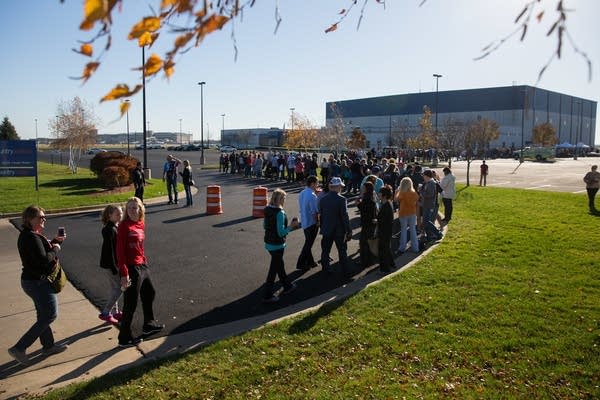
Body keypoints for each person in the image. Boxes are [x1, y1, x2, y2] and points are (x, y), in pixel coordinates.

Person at [9, 206, 68, 365]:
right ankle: (19, 348)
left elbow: (40, 254)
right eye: (40, 217)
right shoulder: (31, 237)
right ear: (29, 219)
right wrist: (55, 249)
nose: (44, 220)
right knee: (50, 315)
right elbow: (44, 260)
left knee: (43, 315)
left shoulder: (30, 235)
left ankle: (48, 346)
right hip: (37, 283)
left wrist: (55, 241)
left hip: (32, 281)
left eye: (44, 217)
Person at [116, 197, 164, 347]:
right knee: (130, 303)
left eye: (134, 207)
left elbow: (140, 247)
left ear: (140, 210)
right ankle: (124, 338)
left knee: (150, 293)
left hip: (142, 266)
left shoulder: (140, 224)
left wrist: (144, 261)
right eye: (129, 208)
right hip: (131, 269)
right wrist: (124, 274)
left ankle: (148, 325)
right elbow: (120, 252)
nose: (131, 210)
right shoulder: (124, 226)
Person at [263, 188, 299, 303]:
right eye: (284, 198)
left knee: (279, 266)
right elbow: (281, 232)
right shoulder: (280, 213)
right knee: (273, 270)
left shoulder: (267, 209)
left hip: (268, 242)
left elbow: (264, 226)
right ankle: (267, 295)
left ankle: (287, 286)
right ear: (281, 199)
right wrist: (292, 226)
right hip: (277, 244)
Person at [319, 177, 353, 274]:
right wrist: (349, 230)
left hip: (326, 229)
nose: (341, 188)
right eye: (340, 187)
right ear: (337, 187)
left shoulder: (323, 199)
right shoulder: (341, 199)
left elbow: (321, 216)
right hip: (339, 230)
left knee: (325, 251)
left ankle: (325, 269)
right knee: (342, 251)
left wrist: (322, 227)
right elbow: (344, 216)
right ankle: (346, 271)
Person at [98, 205, 123, 325]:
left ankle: (115, 312)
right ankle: (106, 313)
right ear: (110, 215)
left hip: (112, 263)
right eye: (117, 214)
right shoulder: (109, 230)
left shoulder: (114, 227)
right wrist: (114, 267)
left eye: (121, 213)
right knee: (119, 289)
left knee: (115, 288)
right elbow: (110, 251)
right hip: (111, 264)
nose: (120, 215)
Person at [296, 176, 320, 271]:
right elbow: (314, 212)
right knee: (308, 244)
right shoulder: (312, 195)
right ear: (313, 183)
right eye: (317, 183)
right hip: (311, 223)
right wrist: (318, 221)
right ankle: (300, 263)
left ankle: (311, 262)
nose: (318, 185)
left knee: (308, 243)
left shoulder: (303, 192)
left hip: (304, 221)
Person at [395, 177, 420, 254]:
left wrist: (397, 191)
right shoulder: (413, 192)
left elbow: (395, 200)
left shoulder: (402, 193)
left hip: (403, 213)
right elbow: (417, 199)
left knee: (403, 230)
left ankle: (402, 247)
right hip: (412, 213)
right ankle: (415, 248)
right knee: (413, 230)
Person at [357, 181, 378, 269]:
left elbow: (364, 210)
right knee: (369, 242)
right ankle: (370, 260)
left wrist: (358, 204)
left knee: (363, 242)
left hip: (367, 223)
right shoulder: (372, 196)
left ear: (366, 189)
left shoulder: (366, 198)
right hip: (371, 223)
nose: (362, 189)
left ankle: (364, 261)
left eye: (364, 187)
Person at [420, 170, 443, 242]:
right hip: (426, 204)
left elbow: (430, 195)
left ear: (426, 176)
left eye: (423, 175)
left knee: (426, 221)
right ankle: (429, 236)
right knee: (425, 222)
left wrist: (421, 192)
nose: (423, 177)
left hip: (429, 205)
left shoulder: (432, 183)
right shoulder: (428, 182)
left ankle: (438, 233)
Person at [377, 185, 395, 272]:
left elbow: (383, 220)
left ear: (383, 195)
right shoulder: (387, 203)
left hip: (384, 231)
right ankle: (392, 264)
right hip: (387, 230)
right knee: (387, 248)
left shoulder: (386, 206)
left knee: (383, 250)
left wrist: (376, 220)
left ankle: (385, 269)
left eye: (379, 193)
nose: (378, 194)